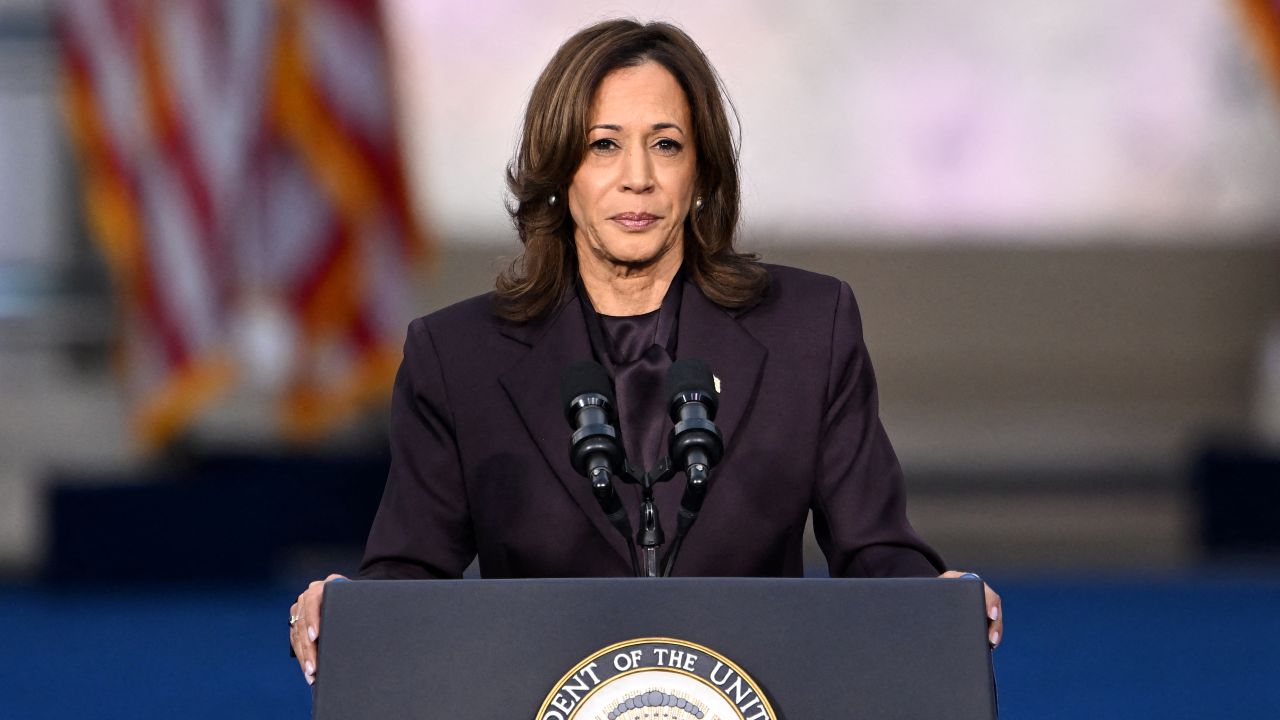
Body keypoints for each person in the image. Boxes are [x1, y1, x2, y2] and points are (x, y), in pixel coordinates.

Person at [288, 19, 1001, 686]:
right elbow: (409, 576)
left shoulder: (808, 331)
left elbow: (877, 552)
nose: (638, 178)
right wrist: (352, 608)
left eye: (666, 144)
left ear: (701, 174)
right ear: (558, 171)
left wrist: (932, 600)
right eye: (604, 145)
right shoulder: (458, 357)